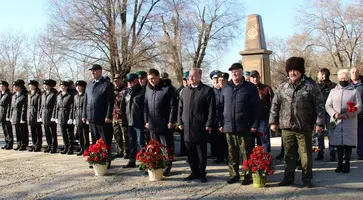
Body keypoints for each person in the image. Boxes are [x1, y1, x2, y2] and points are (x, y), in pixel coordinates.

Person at [269, 57, 325, 188]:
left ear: (301, 71)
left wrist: (320, 123)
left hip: (304, 126)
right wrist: (273, 121)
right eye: (290, 70)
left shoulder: (311, 86)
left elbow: (319, 105)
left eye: (295, 70)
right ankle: (288, 178)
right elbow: (275, 105)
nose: (292, 73)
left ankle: (307, 179)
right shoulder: (283, 87)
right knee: (288, 154)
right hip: (286, 126)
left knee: (305, 154)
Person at [218, 63, 261, 185]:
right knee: (232, 153)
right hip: (229, 127)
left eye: (236, 71)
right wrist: (220, 123)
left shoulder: (250, 87)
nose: (234, 74)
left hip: (245, 127)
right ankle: (234, 174)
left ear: (242, 72)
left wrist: (254, 124)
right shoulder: (226, 88)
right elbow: (220, 107)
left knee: (247, 153)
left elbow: (256, 108)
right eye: (232, 72)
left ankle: (247, 175)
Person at [178, 67, 215, 183]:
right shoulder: (184, 91)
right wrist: (179, 122)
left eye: (194, 76)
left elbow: (211, 109)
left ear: (200, 76)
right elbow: (180, 108)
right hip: (187, 127)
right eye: (190, 76)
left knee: (201, 153)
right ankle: (194, 172)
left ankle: (202, 173)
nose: (191, 78)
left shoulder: (206, 90)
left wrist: (209, 123)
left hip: (200, 126)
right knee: (190, 153)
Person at [325, 69, 362, 173]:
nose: (343, 79)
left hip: (349, 121)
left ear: (348, 78)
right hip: (337, 121)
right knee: (339, 144)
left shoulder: (354, 91)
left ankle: (347, 163)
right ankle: (339, 163)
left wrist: (349, 114)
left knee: (348, 144)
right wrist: (334, 114)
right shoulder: (333, 91)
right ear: (338, 78)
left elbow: (359, 106)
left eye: (345, 78)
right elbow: (328, 105)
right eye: (341, 78)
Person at [144, 68, 177, 176]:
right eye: (149, 79)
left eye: (153, 78)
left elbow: (173, 106)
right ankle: (156, 165)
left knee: (166, 147)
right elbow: (145, 106)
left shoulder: (167, 89)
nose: (151, 81)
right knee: (154, 147)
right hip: (152, 124)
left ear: (158, 77)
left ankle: (168, 166)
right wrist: (146, 121)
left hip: (164, 124)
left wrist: (171, 121)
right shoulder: (148, 89)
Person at [82, 64, 114, 168]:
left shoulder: (107, 84)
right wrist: (84, 115)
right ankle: (96, 160)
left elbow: (110, 102)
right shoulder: (89, 85)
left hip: (103, 118)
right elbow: (86, 101)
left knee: (105, 140)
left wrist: (109, 116)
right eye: (91, 71)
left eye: (95, 70)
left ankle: (106, 161)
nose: (92, 72)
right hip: (91, 117)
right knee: (95, 141)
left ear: (100, 71)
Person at [121, 73, 145, 168]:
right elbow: (123, 106)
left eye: (131, 81)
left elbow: (145, 107)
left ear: (136, 80)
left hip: (139, 121)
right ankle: (132, 161)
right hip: (129, 121)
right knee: (131, 142)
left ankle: (144, 161)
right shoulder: (127, 91)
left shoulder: (142, 91)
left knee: (141, 142)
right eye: (128, 82)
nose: (129, 83)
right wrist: (123, 120)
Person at [249, 70, 274, 152]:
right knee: (250, 140)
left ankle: (265, 159)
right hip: (250, 119)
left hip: (263, 117)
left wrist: (272, 118)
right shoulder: (246, 89)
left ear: (260, 78)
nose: (255, 79)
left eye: (257, 77)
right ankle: (252, 160)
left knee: (263, 139)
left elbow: (273, 104)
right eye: (253, 77)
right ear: (250, 78)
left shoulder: (266, 88)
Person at [316, 68, 337, 161]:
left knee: (331, 131)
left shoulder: (334, 86)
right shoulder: (316, 86)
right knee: (319, 133)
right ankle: (320, 152)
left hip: (330, 113)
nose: (318, 76)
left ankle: (332, 151)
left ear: (324, 75)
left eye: (319, 74)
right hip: (319, 113)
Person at [53, 81, 75, 155]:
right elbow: (56, 107)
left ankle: (70, 148)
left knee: (69, 134)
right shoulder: (58, 95)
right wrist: (55, 116)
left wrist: (71, 117)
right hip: (60, 116)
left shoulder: (70, 95)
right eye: (61, 86)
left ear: (67, 87)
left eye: (64, 86)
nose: (62, 87)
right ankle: (66, 147)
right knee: (64, 133)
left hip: (67, 115)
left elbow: (72, 107)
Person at [39, 79, 58, 154]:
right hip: (44, 115)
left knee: (52, 132)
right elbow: (41, 106)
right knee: (47, 132)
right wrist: (40, 115)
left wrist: (54, 116)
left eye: (46, 85)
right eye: (44, 85)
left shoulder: (54, 94)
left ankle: (54, 147)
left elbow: (55, 106)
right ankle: (49, 145)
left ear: (50, 86)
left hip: (50, 115)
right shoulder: (43, 94)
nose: (44, 86)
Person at [112, 74, 129, 159]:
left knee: (125, 135)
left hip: (123, 116)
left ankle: (127, 151)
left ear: (122, 80)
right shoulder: (113, 91)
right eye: (115, 80)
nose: (116, 82)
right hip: (114, 116)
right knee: (116, 134)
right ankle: (120, 150)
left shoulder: (126, 90)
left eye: (118, 80)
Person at [213, 72, 229, 164]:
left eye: (223, 80)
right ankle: (220, 156)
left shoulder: (229, 90)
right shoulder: (214, 91)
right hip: (217, 118)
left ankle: (227, 157)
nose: (221, 82)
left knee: (226, 140)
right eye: (219, 80)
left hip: (227, 118)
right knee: (218, 139)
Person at [9, 80, 28, 151]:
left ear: (20, 87)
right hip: (14, 114)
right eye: (14, 86)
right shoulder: (14, 96)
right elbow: (11, 107)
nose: (15, 88)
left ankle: (23, 144)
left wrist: (22, 118)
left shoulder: (23, 96)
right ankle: (18, 143)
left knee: (22, 130)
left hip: (20, 115)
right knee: (17, 131)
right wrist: (10, 116)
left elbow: (24, 107)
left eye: (16, 86)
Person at [72, 80, 89, 156]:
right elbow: (74, 108)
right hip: (77, 116)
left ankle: (87, 149)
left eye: (79, 86)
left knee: (85, 135)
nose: (78, 87)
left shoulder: (86, 95)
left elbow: (87, 107)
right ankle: (81, 148)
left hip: (84, 117)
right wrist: (73, 118)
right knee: (79, 135)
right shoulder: (75, 96)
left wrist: (87, 117)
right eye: (76, 86)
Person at [350, 66, 363, 160]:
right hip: (349, 114)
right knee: (350, 134)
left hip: (361, 114)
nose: (355, 73)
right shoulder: (347, 84)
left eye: (356, 72)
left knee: (361, 134)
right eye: (353, 72)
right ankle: (347, 154)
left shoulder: (362, 84)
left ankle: (361, 153)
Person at [176, 71, 189, 157]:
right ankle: (183, 151)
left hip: (189, 117)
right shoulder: (180, 90)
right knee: (182, 135)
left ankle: (188, 153)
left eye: (186, 80)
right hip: (182, 116)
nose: (185, 81)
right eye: (184, 80)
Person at [209, 70, 222, 159]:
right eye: (214, 80)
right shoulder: (209, 90)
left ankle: (221, 155)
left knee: (221, 137)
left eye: (217, 80)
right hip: (212, 116)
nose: (215, 82)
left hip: (221, 116)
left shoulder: (223, 90)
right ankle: (214, 153)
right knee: (213, 136)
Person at [28, 80, 43, 152]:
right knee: (32, 130)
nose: (30, 86)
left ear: (35, 86)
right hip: (30, 113)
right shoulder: (30, 94)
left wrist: (39, 116)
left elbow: (40, 106)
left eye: (31, 85)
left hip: (36, 113)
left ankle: (38, 144)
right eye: (29, 85)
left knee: (37, 130)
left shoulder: (38, 94)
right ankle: (34, 143)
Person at [0, 81, 13, 150]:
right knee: (4, 130)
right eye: (0, 86)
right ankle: (6, 142)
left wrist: (8, 115)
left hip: (5, 114)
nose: (1, 87)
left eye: (2, 86)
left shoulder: (8, 95)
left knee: (8, 130)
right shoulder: (1, 94)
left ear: (6, 87)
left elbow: (9, 106)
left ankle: (10, 144)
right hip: (1, 114)